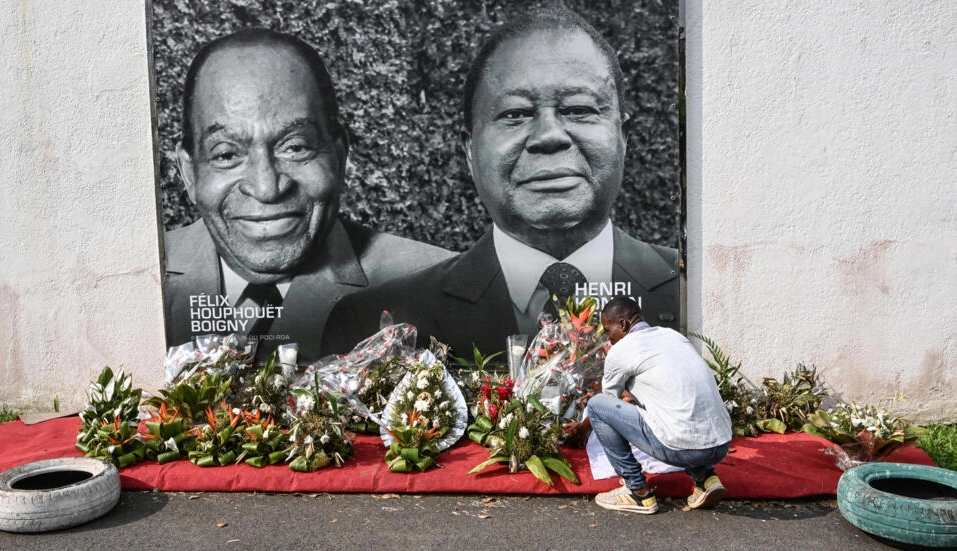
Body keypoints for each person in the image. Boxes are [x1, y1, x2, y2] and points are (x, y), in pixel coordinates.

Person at [322, 8, 678, 359]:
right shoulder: (372, 322)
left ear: (623, 137)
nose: (550, 136)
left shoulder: (696, 294)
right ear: (470, 152)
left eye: (578, 109)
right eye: (515, 114)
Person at [162, 29, 453, 362]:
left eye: (296, 147)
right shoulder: (126, 281)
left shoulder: (437, 286)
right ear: (188, 173)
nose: (266, 188)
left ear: (340, 157)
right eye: (227, 154)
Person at [562, 296, 732, 514]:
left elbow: (607, 404)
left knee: (596, 404)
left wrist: (582, 429)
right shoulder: (673, 336)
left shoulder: (622, 349)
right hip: (721, 444)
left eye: (607, 330)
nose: (607, 337)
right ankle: (706, 479)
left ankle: (637, 491)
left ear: (622, 325)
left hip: (683, 449)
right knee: (676, 416)